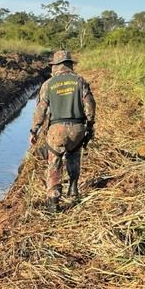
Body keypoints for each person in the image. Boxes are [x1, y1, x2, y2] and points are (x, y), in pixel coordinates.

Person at [29, 50, 96, 212]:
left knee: (55, 163)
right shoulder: (80, 81)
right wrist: (89, 125)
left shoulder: (48, 84)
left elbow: (41, 110)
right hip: (77, 129)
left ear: (56, 66)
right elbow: (90, 106)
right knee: (74, 156)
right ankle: (73, 187)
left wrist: (34, 130)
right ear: (70, 65)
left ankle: (53, 201)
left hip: (57, 131)